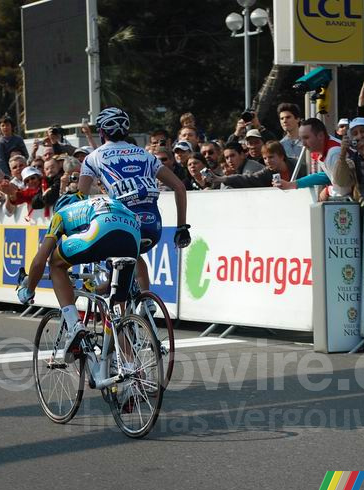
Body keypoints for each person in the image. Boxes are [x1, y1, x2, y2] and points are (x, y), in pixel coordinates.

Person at [78, 107, 191, 292]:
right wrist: (182, 228)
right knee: (134, 255)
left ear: (101, 132)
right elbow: (179, 187)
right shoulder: (146, 155)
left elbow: (80, 196)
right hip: (153, 227)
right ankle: (146, 301)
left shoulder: (93, 157)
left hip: (122, 225)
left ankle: (118, 311)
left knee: (114, 260)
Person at [17, 195, 142, 355]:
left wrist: (29, 289)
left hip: (101, 228)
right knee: (117, 314)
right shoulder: (97, 202)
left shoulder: (61, 213)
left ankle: (74, 324)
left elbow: (39, 261)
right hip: (132, 235)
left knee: (55, 263)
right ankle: (132, 370)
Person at [217, 141, 299, 188]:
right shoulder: (267, 171)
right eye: (265, 158)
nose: (268, 161)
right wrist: (221, 179)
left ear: (281, 156)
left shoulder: (298, 165)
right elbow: (247, 178)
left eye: (271, 157)